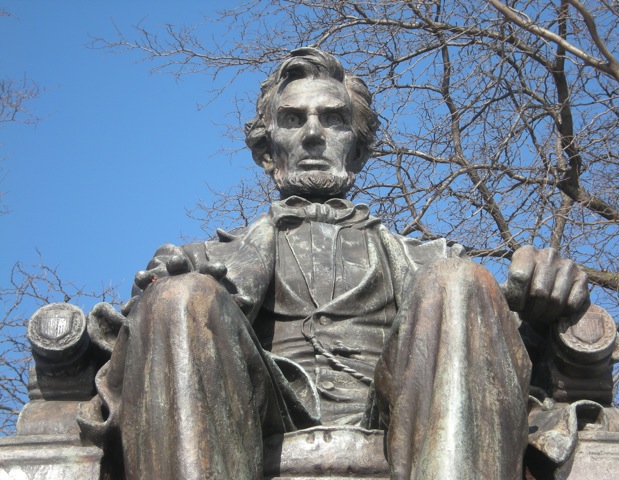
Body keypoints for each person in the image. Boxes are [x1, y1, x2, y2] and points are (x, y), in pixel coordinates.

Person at [79, 48, 589, 480]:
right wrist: (160, 295)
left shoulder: (432, 264)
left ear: (359, 149)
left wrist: (543, 306)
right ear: (267, 150)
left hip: (404, 416)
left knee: (461, 280)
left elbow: (500, 364)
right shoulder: (199, 264)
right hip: (257, 414)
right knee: (179, 297)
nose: (313, 134)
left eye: (334, 119)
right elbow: (133, 360)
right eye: (293, 119)